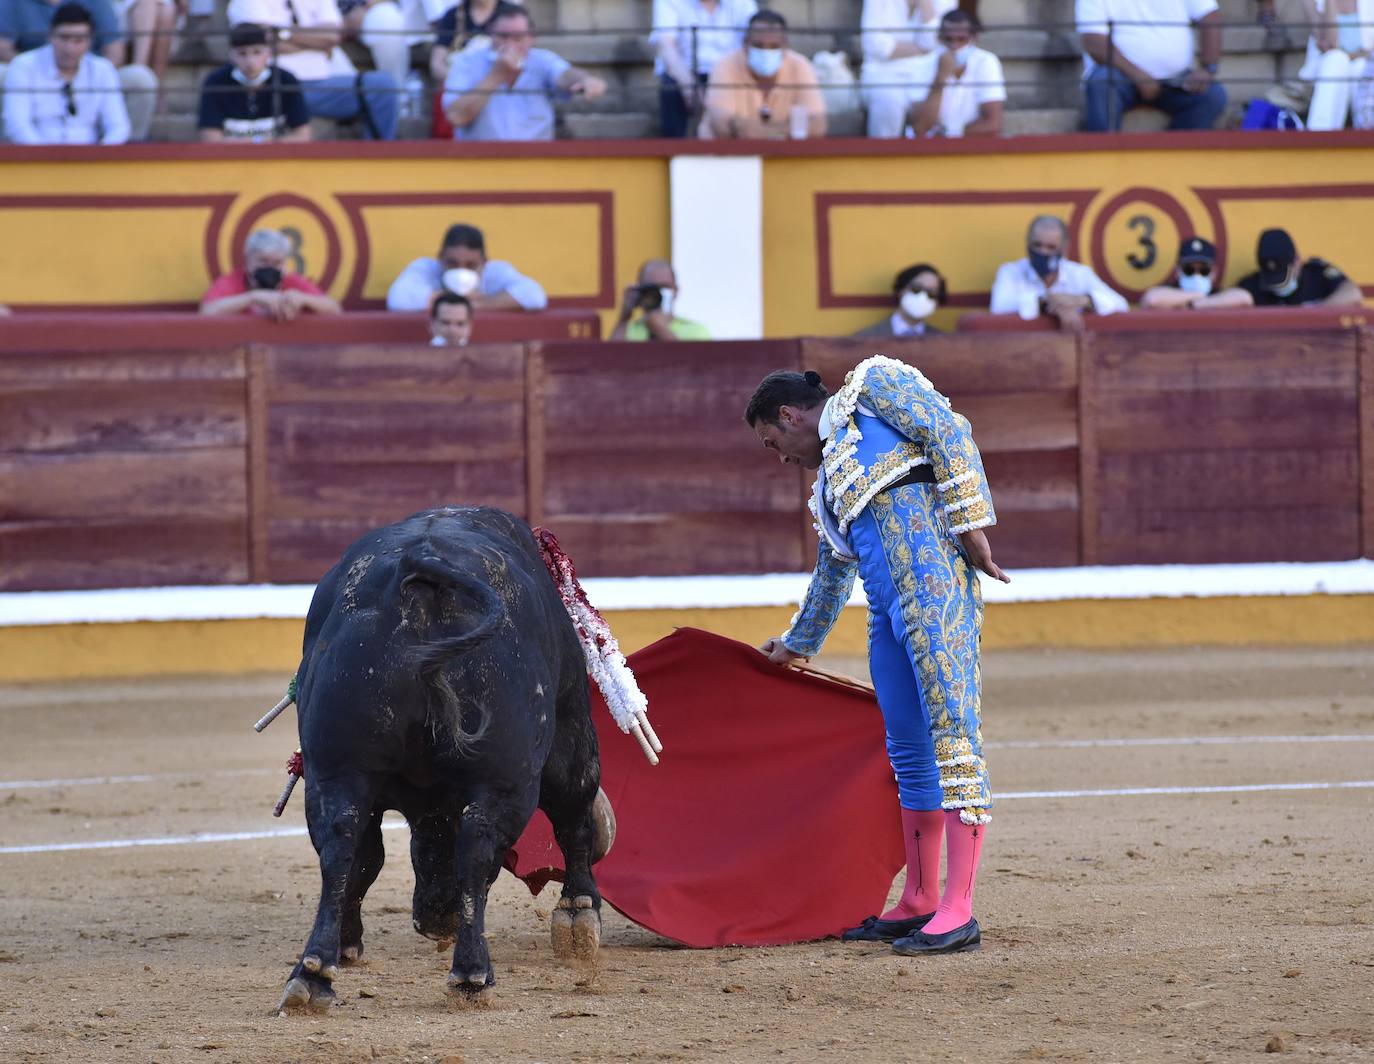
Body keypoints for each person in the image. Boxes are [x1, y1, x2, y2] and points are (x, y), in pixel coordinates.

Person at [746, 361, 1008, 956]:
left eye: (773, 442)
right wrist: (798, 643)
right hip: (888, 616)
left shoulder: (875, 386)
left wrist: (972, 526)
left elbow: (949, 433)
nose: (781, 457)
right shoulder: (829, 483)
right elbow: (835, 567)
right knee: (909, 750)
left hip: (937, 593)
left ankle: (959, 908)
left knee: (954, 738)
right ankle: (919, 896)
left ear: (789, 416)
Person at [225, 0, 399, 139]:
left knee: (382, 85)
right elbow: (258, 43)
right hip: (274, 87)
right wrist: (316, 42)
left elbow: (332, 36)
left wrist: (282, 34)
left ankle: (377, 159)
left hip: (320, 85)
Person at [442, 5, 605, 141]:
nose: (510, 44)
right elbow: (456, 117)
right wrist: (496, 75)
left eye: (518, 38)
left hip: (535, 164)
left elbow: (564, 75)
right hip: (479, 164)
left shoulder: (542, 60)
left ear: (531, 38)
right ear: (490, 34)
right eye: (503, 36)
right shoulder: (466, 62)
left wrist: (585, 80)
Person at [0, 0, 158, 140]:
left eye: (78, 40)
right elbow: (18, 126)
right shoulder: (24, 66)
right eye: (64, 38)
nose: (70, 48)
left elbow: (118, 127)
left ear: (89, 41)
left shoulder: (101, 69)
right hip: (36, 162)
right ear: (50, 36)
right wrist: (43, 157)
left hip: (91, 163)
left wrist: (101, 157)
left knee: (141, 78)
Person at [1076, 0, 1226, 132]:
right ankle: (1105, 157)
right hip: (1121, 78)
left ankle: (1173, 157)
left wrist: (1207, 69)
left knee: (1213, 94)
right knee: (1101, 82)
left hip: (1177, 80)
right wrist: (1138, 76)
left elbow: (1209, 16)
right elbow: (1094, 42)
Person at [699, 10, 826, 139]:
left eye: (774, 46)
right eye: (758, 45)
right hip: (728, 156)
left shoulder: (800, 66)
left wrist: (760, 131)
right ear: (745, 43)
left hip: (785, 156)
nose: (766, 51)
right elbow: (721, 125)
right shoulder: (724, 66)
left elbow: (817, 126)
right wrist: (787, 129)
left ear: (786, 46)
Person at [989, 215, 1128, 331]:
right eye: (1037, 245)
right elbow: (999, 306)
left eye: (1051, 247)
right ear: (1027, 244)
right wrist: (1047, 303)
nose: (1043, 252)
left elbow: (1120, 304)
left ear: (1064, 249)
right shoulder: (1010, 272)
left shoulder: (1080, 274)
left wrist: (1080, 301)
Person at [649, 0, 756, 137]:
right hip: (685, 73)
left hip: (730, 74)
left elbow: (752, 41)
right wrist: (688, 85)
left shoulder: (743, 3)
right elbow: (665, 45)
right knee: (671, 87)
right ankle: (674, 151)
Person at [387, 222, 547, 312]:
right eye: (452, 263)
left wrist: (475, 303)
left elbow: (535, 296)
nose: (461, 271)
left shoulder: (496, 271)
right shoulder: (425, 268)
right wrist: (460, 300)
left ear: (484, 262)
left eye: (471, 265)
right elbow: (399, 299)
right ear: (440, 258)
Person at [1188, 228, 1364, 309]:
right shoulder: (1252, 285)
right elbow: (1240, 297)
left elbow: (1352, 293)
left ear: (1297, 262)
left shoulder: (1317, 274)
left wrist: (1318, 311)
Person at [858, 0, 956, 137]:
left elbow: (935, 40)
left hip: (927, 71)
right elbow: (874, 44)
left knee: (945, 100)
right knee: (888, 101)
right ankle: (883, 155)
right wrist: (922, 49)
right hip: (883, 71)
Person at [198, 23, 311, 141]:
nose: (250, 62)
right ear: (231, 54)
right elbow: (210, 139)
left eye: (257, 52)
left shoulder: (286, 80)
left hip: (276, 158)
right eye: (242, 53)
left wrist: (258, 145)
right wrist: (259, 144)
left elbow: (303, 135)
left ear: (268, 52)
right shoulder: (216, 82)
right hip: (231, 159)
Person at [201, 228, 343, 319]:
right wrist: (253, 297)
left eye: (277, 263)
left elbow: (335, 310)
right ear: (248, 262)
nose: (270, 267)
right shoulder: (232, 281)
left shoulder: (292, 282)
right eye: (263, 261)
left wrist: (304, 299)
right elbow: (206, 312)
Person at [908, 9, 1003, 138]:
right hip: (929, 148)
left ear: (974, 37)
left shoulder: (986, 61)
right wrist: (940, 78)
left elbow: (993, 124)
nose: (954, 46)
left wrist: (952, 133)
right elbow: (920, 127)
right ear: (939, 38)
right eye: (948, 39)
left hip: (969, 146)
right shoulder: (922, 64)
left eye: (961, 39)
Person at [1297, 0, 1373, 131]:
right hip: (1327, 68)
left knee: (1360, 67)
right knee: (1337, 60)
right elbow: (1328, 43)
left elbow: (1370, 52)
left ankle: (1366, 136)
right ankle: (1319, 136)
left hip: (1363, 65)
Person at [609, 259, 711, 341]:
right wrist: (624, 319)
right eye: (651, 288)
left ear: (676, 291)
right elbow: (611, 359)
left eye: (664, 287)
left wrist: (660, 329)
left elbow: (693, 363)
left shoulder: (696, 332)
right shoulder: (628, 331)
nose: (657, 293)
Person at [430, 0, 517, 82]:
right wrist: (460, 81)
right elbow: (437, 64)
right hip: (460, 90)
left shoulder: (513, 15)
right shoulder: (453, 15)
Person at [853, 263, 946, 337]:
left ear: (937, 301)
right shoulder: (865, 338)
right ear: (901, 290)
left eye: (931, 293)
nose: (922, 297)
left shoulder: (943, 342)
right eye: (916, 289)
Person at [1139, 236, 1219, 309]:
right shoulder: (1168, 292)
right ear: (1178, 271)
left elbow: (1232, 299)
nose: (1196, 275)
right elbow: (1152, 300)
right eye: (1189, 270)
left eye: (1204, 270)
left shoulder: (1218, 295)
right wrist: (1198, 296)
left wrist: (1205, 302)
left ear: (1214, 272)